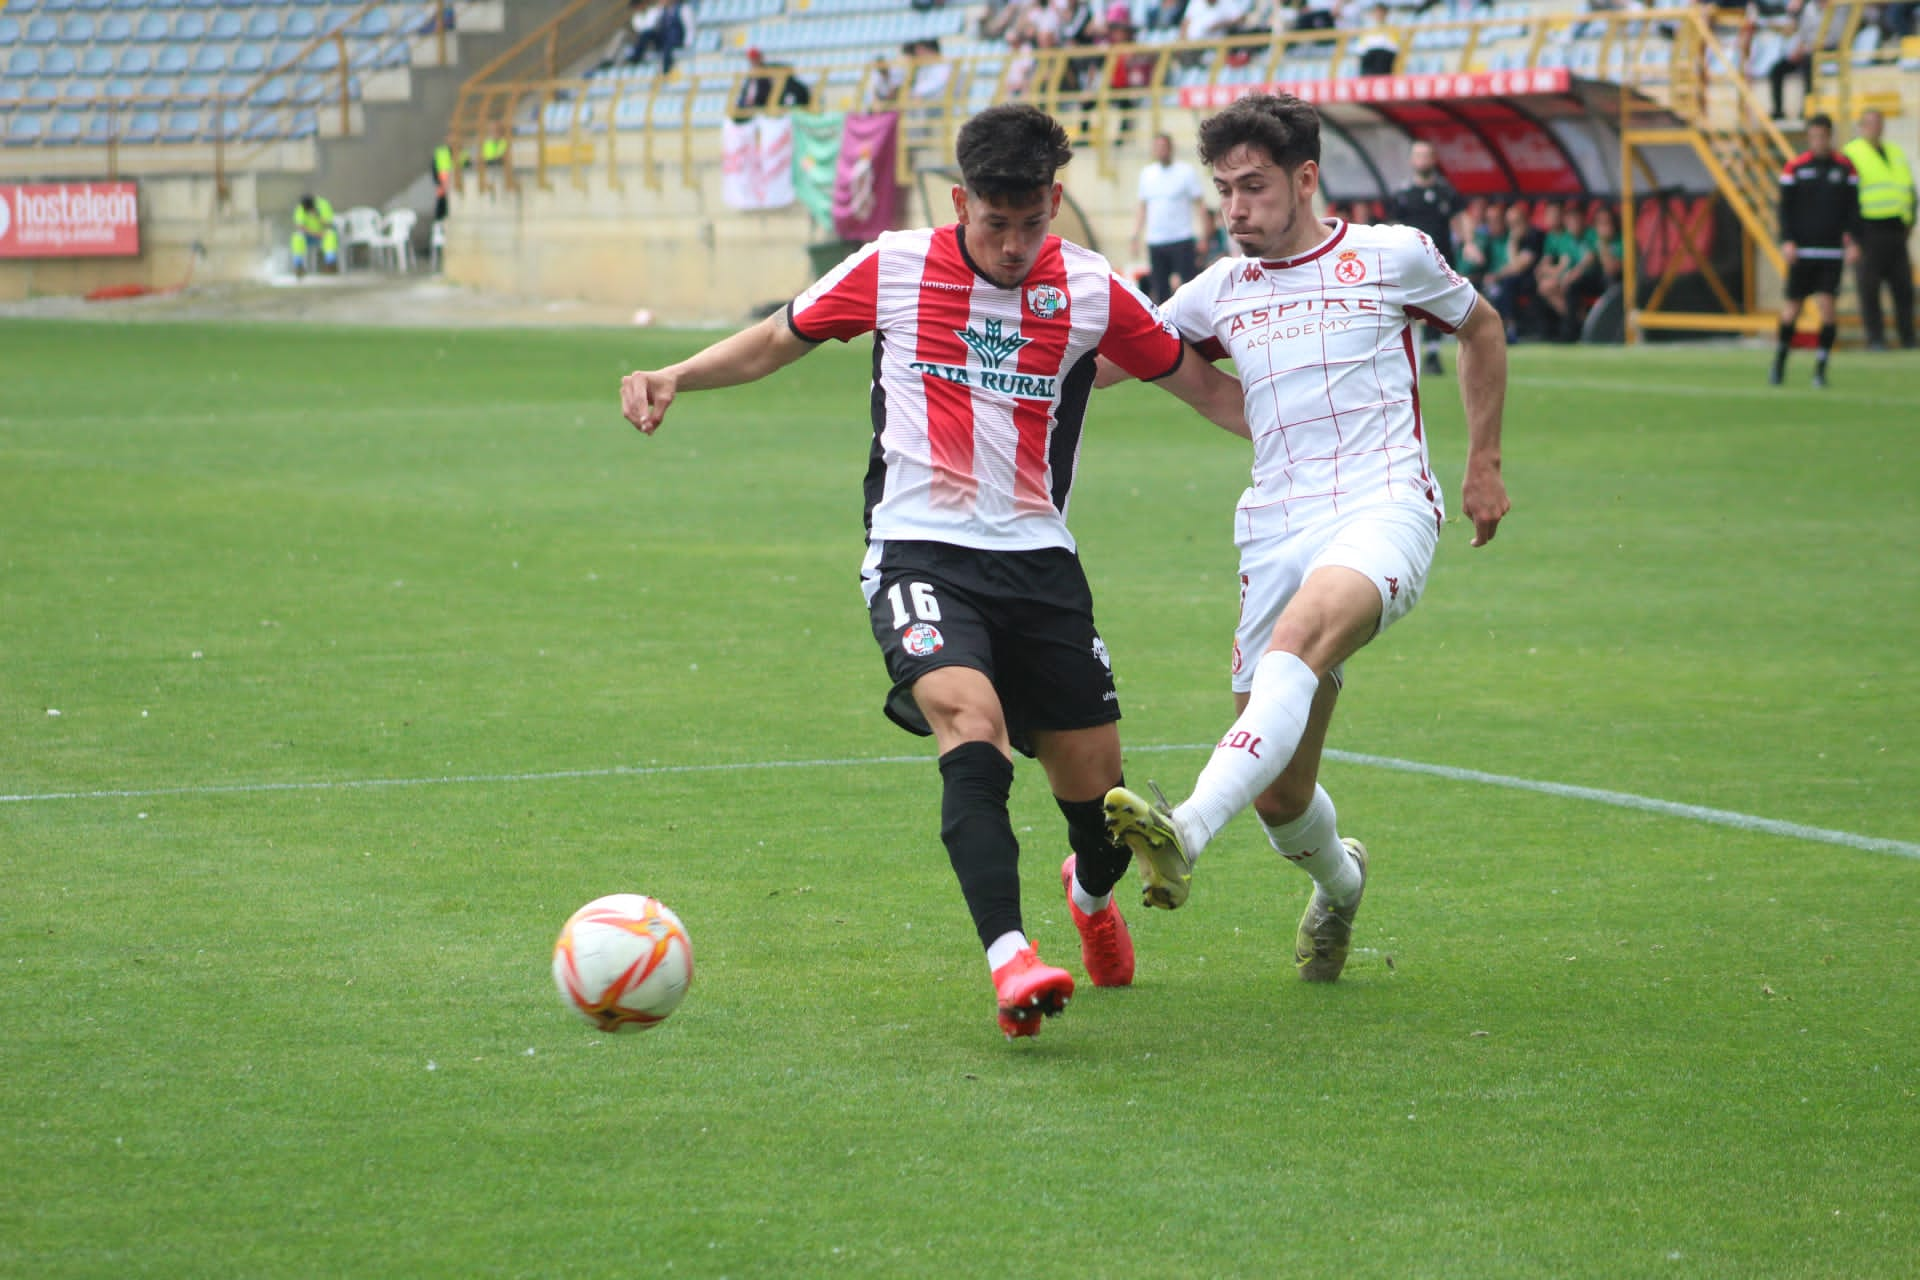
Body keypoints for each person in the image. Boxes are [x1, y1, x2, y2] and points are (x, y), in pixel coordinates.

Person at [616, 104, 1250, 1040]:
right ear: (960, 202)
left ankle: (1087, 892)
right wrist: (677, 374)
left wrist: (1333, 438)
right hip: (920, 552)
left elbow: (1203, 388)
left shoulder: (1090, 289)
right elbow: (776, 338)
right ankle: (1012, 961)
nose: (1012, 243)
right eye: (995, 224)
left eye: (1032, 222)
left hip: (1040, 566)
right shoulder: (895, 265)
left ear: (1055, 202)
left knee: (1100, 810)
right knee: (971, 725)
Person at [1098, 93, 1510, 984]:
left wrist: (1483, 464)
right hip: (1274, 526)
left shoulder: (1389, 255)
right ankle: (1341, 884)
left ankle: (1187, 831)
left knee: (1301, 638)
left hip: (1385, 502)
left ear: (1306, 178)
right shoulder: (1219, 288)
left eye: (1253, 187)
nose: (1236, 208)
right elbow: (1110, 363)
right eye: (1224, 191)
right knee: (1282, 792)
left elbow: (1480, 325)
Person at [1772, 113, 1859, 387]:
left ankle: (1820, 369)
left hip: (1831, 250)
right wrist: (1787, 240)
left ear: (1829, 136)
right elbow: (1785, 209)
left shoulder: (1845, 168)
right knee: (1792, 309)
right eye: (1814, 137)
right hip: (1803, 250)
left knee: (1827, 307)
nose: (1818, 141)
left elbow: (1854, 210)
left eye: (1823, 136)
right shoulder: (1795, 168)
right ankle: (1779, 364)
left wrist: (1854, 240)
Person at [1384, 139, 1463, 374]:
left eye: (1426, 155)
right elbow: (1392, 225)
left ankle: (1433, 353)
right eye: (1418, 155)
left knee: (1436, 306)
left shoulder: (1446, 192)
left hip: (1441, 258)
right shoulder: (1402, 194)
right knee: (1406, 305)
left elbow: (1459, 220)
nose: (1422, 160)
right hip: (1408, 261)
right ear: (1411, 161)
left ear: (1433, 159)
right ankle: (1405, 355)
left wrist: (1469, 244)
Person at [1841, 107, 1916, 350]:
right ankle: (1876, 338)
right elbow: (1845, 199)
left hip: (1897, 229)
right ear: (1861, 126)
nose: (1876, 127)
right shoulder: (1852, 154)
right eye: (1871, 123)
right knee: (1869, 287)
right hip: (1868, 230)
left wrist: (1910, 221)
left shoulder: (1894, 151)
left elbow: (1909, 189)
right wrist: (1851, 238)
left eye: (1879, 122)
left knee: (1903, 287)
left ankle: (1908, 337)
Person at [1133, 132, 1208, 303]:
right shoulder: (1147, 174)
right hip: (1157, 240)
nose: (1161, 151)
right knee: (1160, 289)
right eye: (1157, 148)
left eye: (1164, 147)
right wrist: (1135, 235)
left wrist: (1203, 235)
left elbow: (1199, 205)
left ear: (1171, 149)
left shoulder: (1186, 172)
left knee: (1189, 287)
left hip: (1181, 237)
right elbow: (1142, 208)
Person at [1767, 0, 1821, 121]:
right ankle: (1778, 111)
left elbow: (1832, 37)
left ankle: (1807, 110)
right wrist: (1799, 49)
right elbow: (1803, 34)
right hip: (1806, 50)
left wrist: (1807, 48)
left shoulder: (1836, 8)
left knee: (1808, 65)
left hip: (1823, 51)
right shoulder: (1810, 8)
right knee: (1777, 69)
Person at [291, 193, 337, 276]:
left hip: (323, 233)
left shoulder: (323, 204)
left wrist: (318, 216)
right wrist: (314, 234)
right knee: (297, 237)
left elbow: (329, 224)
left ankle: (330, 264)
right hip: (309, 235)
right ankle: (298, 265)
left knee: (331, 235)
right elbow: (299, 226)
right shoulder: (301, 207)